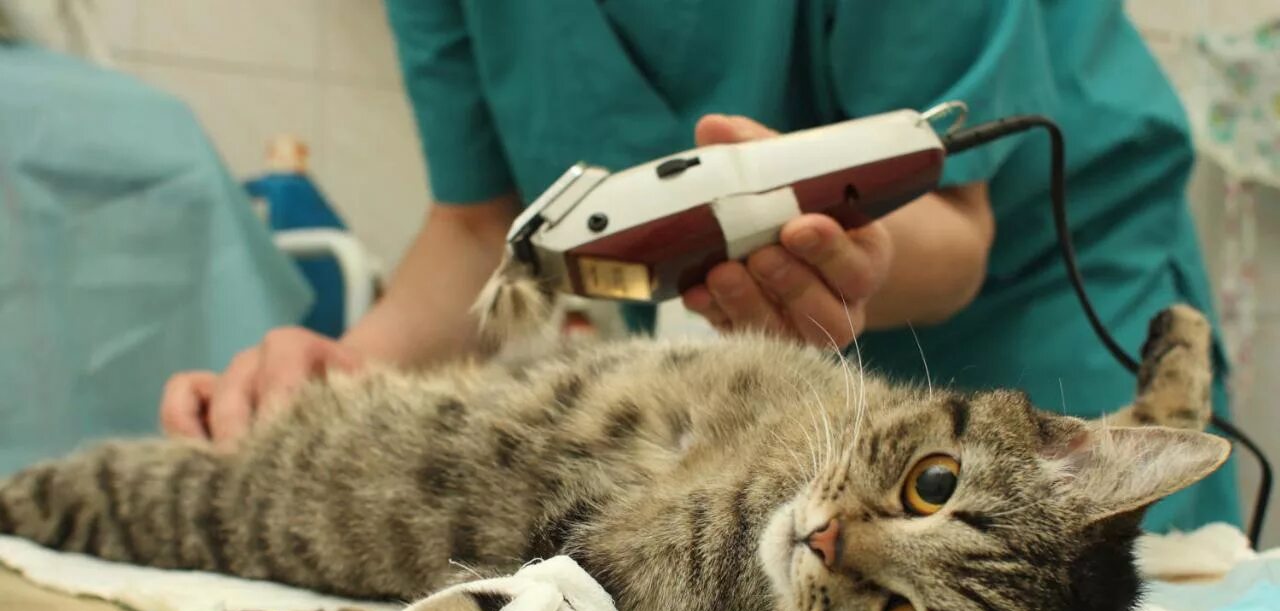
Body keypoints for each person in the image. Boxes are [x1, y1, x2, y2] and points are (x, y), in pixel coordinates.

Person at [160, 1, 1240, 532]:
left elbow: (953, 228)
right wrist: (344, 368)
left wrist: (827, 248)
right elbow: (486, 230)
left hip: (1040, 321)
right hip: (767, 378)